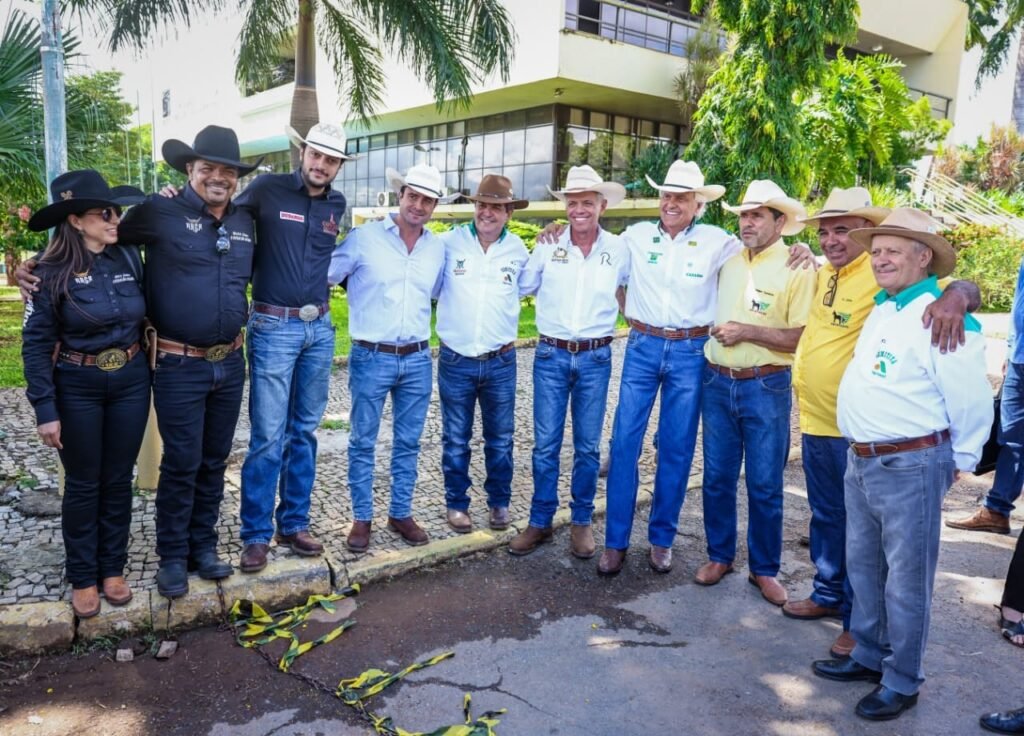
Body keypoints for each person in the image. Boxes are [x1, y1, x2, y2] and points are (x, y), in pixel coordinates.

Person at [812, 208, 992, 722]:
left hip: (911, 464)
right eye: (878, 250)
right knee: (865, 569)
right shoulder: (886, 307)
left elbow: (972, 401)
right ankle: (869, 656)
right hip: (865, 461)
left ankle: (903, 679)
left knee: (906, 581)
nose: (881, 258)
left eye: (894, 250)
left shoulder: (942, 314)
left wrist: (957, 462)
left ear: (923, 258)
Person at [117, 125, 258, 598]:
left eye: (227, 171)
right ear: (189, 170)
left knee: (215, 460)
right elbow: (101, 234)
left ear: (237, 177)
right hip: (179, 364)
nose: (218, 177)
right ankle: (172, 556)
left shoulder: (243, 222)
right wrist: (43, 267)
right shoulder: (160, 212)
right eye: (208, 169)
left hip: (231, 362)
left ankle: (203, 547)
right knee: (182, 461)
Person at [21, 170, 149, 618]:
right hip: (77, 387)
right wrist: (45, 409)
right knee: (82, 482)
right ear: (76, 220)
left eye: (118, 211)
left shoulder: (129, 258)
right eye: (105, 213)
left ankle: (112, 568)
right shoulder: (46, 273)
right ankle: (82, 575)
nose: (116, 219)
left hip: (131, 382)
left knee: (118, 479)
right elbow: (35, 345)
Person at [597, 161, 731, 576]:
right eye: (667, 196)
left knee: (676, 447)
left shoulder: (718, 241)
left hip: (691, 351)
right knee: (624, 443)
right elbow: (607, 270)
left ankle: (661, 539)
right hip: (642, 346)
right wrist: (636, 316)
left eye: (682, 198)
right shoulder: (634, 237)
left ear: (698, 203)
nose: (671, 204)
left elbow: (761, 259)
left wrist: (798, 249)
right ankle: (615, 541)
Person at [235, 123, 352, 573]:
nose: (321, 165)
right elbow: (220, 215)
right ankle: (256, 535)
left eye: (331, 160)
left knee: (304, 431)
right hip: (272, 326)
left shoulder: (336, 205)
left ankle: (294, 522)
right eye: (315, 155)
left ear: (339, 166)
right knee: (267, 436)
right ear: (302, 153)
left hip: (319, 329)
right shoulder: (266, 190)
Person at [695, 179, 815, 607]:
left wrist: (748, 331)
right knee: (716, 479)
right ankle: (719, 556)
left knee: (765, 484)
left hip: (766, 385)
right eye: (744, 215)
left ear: (781, 222)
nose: (747, 223)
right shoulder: (727, 258)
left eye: (757, 215)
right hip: (715, 380)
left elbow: (801, 336)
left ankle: (764, 570)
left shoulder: (799, 266)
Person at [509, 165, 629, 560]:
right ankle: (540, 521)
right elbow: (523, 285)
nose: (579, 209)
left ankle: (581, 521)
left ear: (602, 205)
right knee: (545, 445)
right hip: (550, 355)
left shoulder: (620, 249)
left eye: (587, 203)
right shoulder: (549, 244)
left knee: (588, 448)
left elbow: (630, 292)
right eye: (572, 202)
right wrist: (538, 241)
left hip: (596, 356)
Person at [328, 164, 448, 553]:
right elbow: (326, 274)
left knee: (409, 442)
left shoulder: (436, 248)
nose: (418, 204)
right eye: (413, 195)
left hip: (417, 358)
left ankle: (400, 512)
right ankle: (362, 518)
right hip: (371, 356)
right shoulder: (364, 238)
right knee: (363, 441)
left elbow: (447, 291)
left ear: (434, 206)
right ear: (401, 195)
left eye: (427, 199)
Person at [435, 175, 530, 534]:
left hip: (501, 361)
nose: (487, 213)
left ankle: (499, 503)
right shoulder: (448, 243)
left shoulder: (519, 250)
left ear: (508, 212)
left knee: (501, 438)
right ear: (475, 207)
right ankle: (457, 504)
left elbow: (535, 285)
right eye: (482, 205)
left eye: (496, 207)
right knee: (456, 438)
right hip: (456, 359)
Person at [947, 252, 1024, 535]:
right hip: (1020, 359)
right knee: (1011, 436)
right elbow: (1020, 301)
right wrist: (1011, 348)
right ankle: (996, 511)